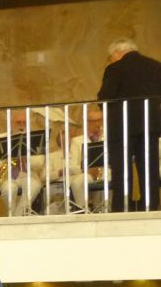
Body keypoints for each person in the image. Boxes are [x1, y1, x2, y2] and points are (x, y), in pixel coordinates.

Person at [97, 38, 161, 211]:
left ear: (117, 53)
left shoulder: (115, 68)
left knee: (121, 169)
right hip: (150, 125)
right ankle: (151, 205)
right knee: (149, 167)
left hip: (121, 126)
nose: (111, 60)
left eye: (111, 57)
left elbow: (105, 97)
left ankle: (121, 207)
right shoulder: (156, 66)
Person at [66, 107, 110, 213]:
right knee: (77, 182)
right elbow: (71, 165)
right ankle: (83, 210)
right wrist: (86, 170)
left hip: (105, 171)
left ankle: (105, 210)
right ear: (87, 123)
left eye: (100, 120)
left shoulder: (109, 138)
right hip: (86, 173)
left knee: (112, 177)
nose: (97, 123)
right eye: (93, 121)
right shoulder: (77, 141)